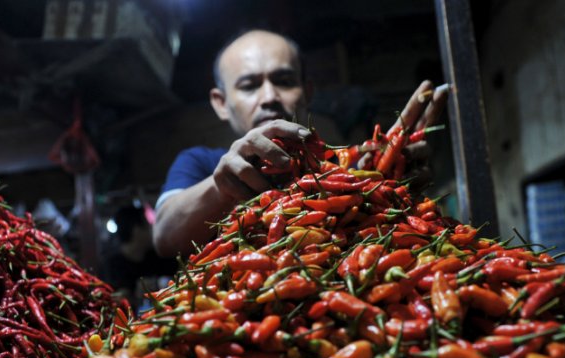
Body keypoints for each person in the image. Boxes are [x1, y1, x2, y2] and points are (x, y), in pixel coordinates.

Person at [153, 29, 447, 258]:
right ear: (221, 103)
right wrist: (221, 187)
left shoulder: (352, 172)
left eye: (283, 80)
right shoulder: (198, 163)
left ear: (306, 92)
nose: (269, 96)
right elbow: (164, 238)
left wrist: (396, 180)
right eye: (249, 85)